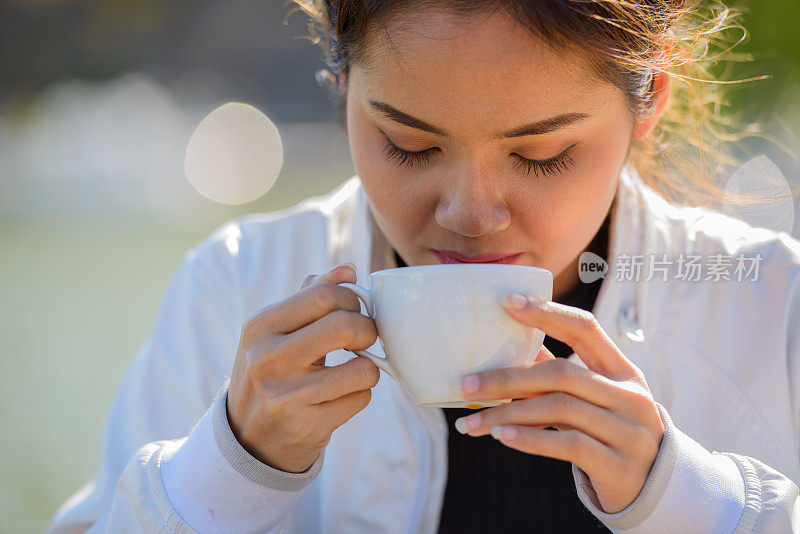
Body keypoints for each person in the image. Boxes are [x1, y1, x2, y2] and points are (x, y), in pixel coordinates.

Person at [47, 1, 800, 533]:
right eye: (408, 145)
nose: (470, 213)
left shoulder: (773, 304)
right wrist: (230, 469)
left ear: (649, 103)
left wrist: (694, 502)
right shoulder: (237, 285)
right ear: (343, 89)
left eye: (541, 154)